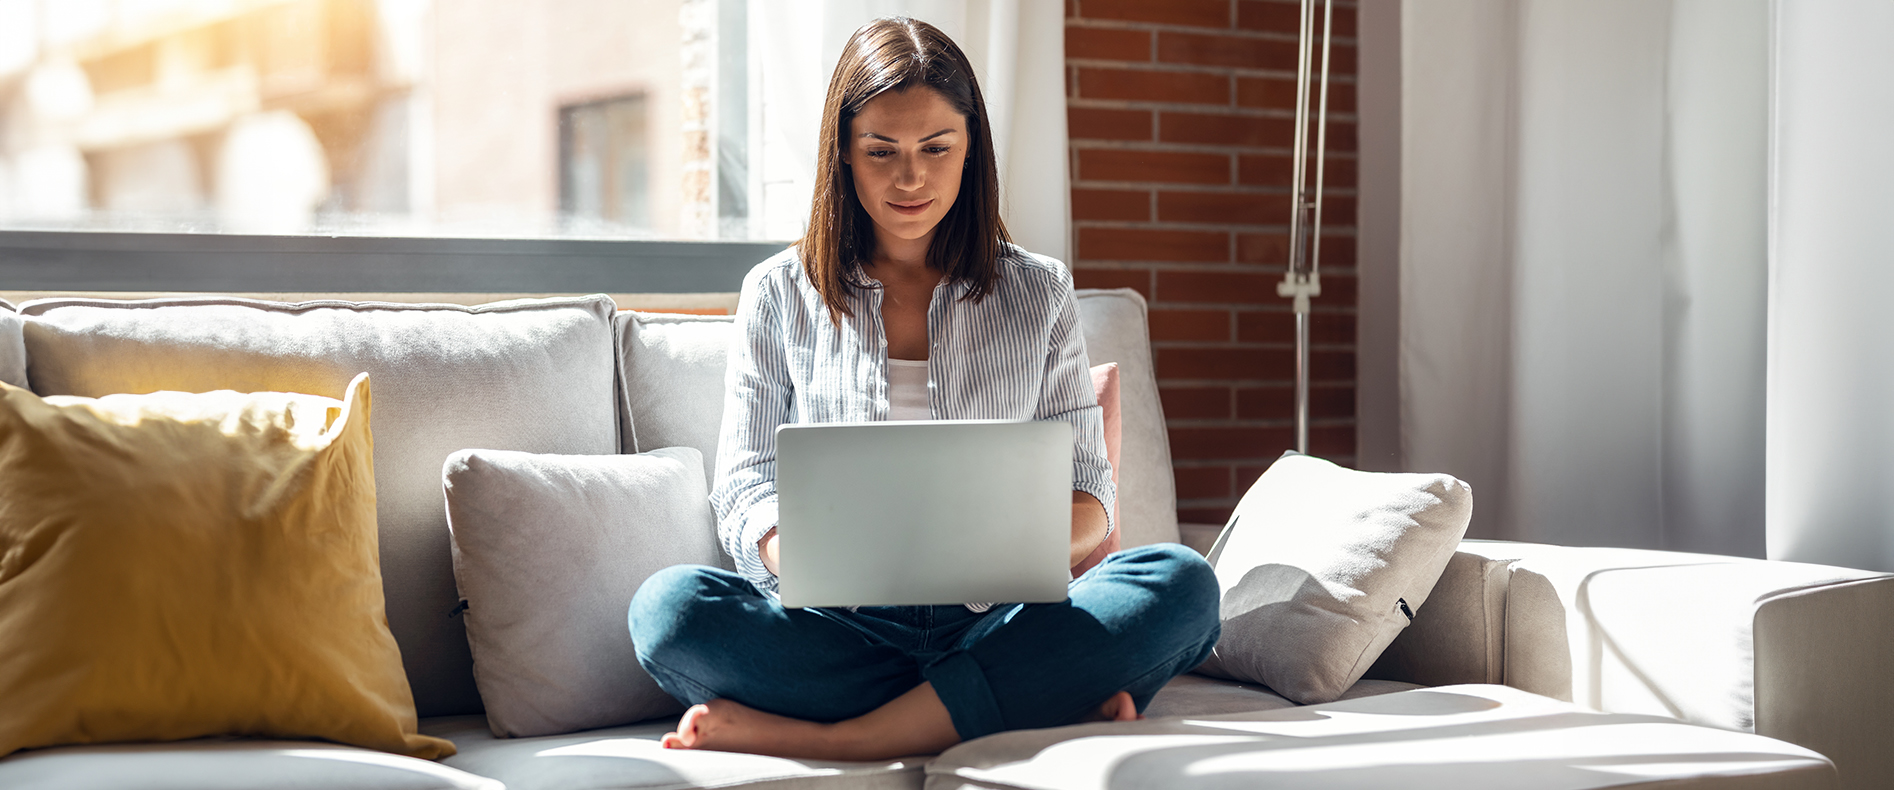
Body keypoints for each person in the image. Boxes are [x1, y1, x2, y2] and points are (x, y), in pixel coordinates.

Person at [627, 16, 1219, 761]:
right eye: (882, 152)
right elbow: (745, 487)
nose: (910, 178)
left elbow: (1090, 498)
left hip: (997, 618)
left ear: (972, 149)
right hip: (839, 628)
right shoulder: (777, 294)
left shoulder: (1037, 292)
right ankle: (1012, 698)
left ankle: (854, 735)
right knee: (670, 610)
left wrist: (991, 549)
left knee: (1181, 584)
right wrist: (807, 551)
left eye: (936, 149)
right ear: (842, 154)